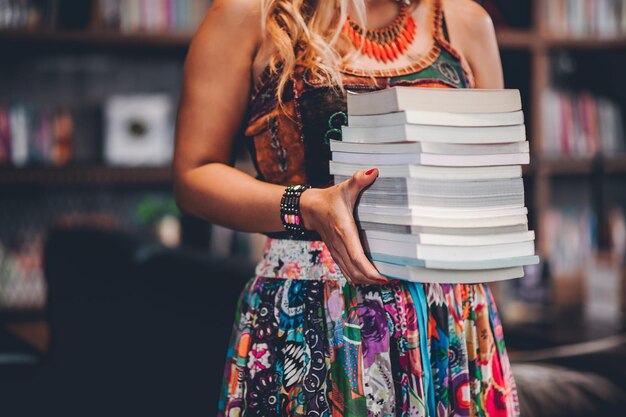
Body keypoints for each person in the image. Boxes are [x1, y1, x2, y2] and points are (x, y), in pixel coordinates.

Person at [172, 0, 518, 415]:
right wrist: (305, 205)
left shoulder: (467, 21)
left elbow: (493, 179)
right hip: (312, 316)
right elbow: (194, 176)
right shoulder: (251, 13)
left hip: (449, 323)